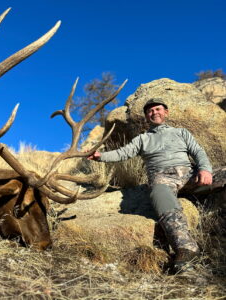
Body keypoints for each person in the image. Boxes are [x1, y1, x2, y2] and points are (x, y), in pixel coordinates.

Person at [87, 98, 213, 272]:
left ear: (166, 112)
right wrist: (100, 156)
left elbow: (198, 151)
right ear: (147, 116)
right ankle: (186, 248)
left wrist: (205, 170)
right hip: (163, 178)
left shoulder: (181, 132)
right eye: (150, 111)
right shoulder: (142, 139)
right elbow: (123, 153)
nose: (154, 112)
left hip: (191, 174)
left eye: (158, 109)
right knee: (160, 193)